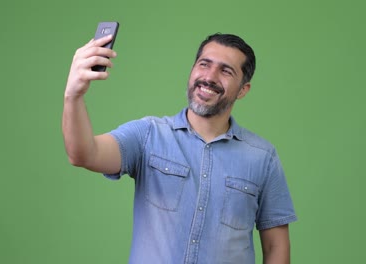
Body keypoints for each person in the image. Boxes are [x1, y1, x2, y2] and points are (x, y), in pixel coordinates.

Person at [63, 32, 297, 264]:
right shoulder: (148, 135)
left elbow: (275, 245)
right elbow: (84, 153)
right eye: (204, 64)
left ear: (243, 89)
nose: (210, 77)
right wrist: (73, 95)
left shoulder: (263, 157)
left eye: (226, 71)